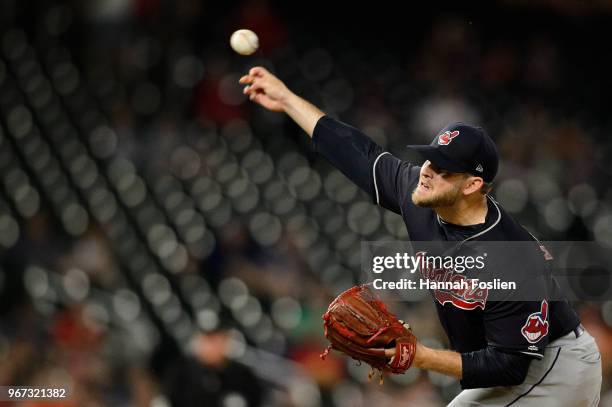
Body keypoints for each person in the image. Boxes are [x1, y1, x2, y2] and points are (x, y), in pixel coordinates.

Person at [239, 67, 602, 406]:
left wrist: (420, 356)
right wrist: (286, 99)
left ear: (472, 185)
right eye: (429, 158)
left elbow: (510, 367)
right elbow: (356, 152)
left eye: (442, 167)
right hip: (517, 365)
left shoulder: (509, 255)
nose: (426, 171)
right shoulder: (421, 195)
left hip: (555, 368)